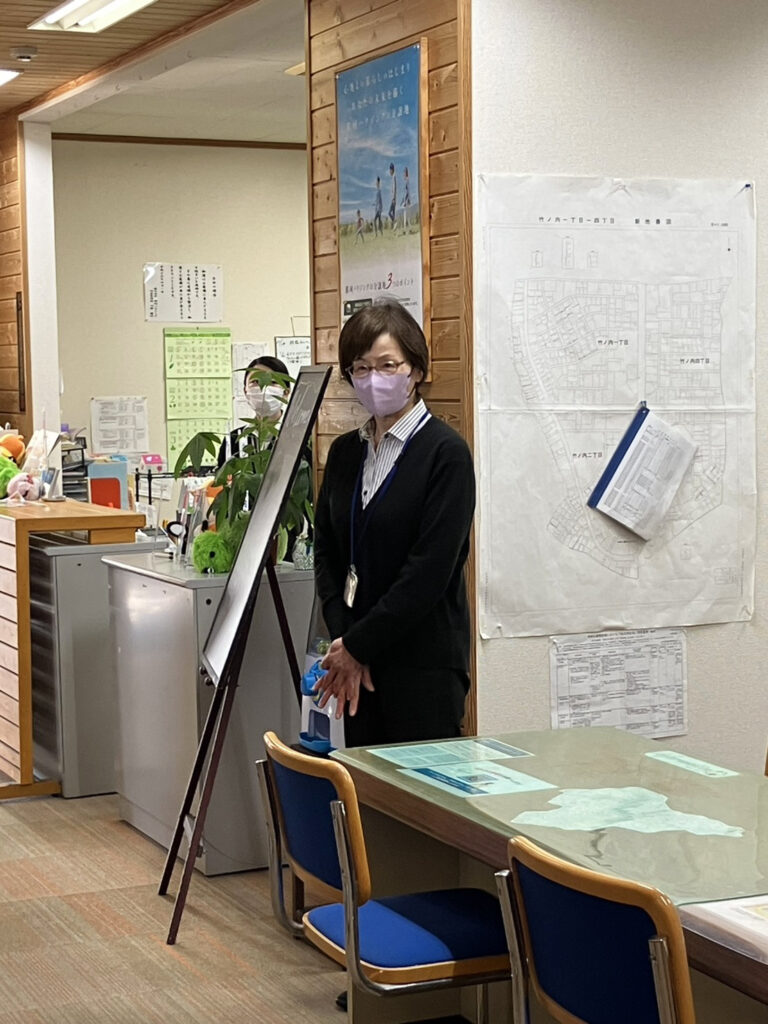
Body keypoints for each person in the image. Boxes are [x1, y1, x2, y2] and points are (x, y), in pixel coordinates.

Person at [313, 301, 475, 747]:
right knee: (363, 783)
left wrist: (359, 645)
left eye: (388, 365)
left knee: (419, 788)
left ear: (416, 370)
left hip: (422, 666)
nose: (373, 379)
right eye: (361, 368)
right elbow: (326, 551)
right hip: (356, 664)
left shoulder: (446, 455)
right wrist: (345, 640)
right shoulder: (345, 453)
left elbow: (429, 572)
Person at [217, 355, 289, 469]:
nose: (263, 388)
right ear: (245, 391)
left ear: (286, 392)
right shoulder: (233, 440)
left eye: (273, 382)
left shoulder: (298, 438)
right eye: (255, 381)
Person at [387, 162, 397, 230]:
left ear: (392, 170)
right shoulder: (393, 177)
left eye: (390, 170)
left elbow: (394, 187)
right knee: (393, 213)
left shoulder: (394, 177)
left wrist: (393, 198)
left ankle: (395, 221)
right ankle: (394, 227)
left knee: (389, 213)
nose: (389, 172)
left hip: (393, 199)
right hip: (393, 198)